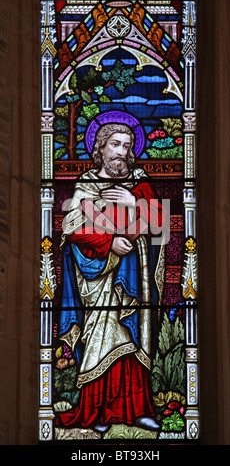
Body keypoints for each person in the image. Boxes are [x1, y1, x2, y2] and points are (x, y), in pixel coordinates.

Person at [55, 122, 166, 432]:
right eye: (115, 144)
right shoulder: (86, 185)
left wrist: (134, 203)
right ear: (100, 148)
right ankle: (97, 414)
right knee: (100, 339)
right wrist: (109, 242)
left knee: (131, 336)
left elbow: (161, 224)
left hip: (133, 278)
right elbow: (71, 231)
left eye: (127, 146)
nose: (122, 152)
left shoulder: (140, 183)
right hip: (96, 279)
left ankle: (139, 410)